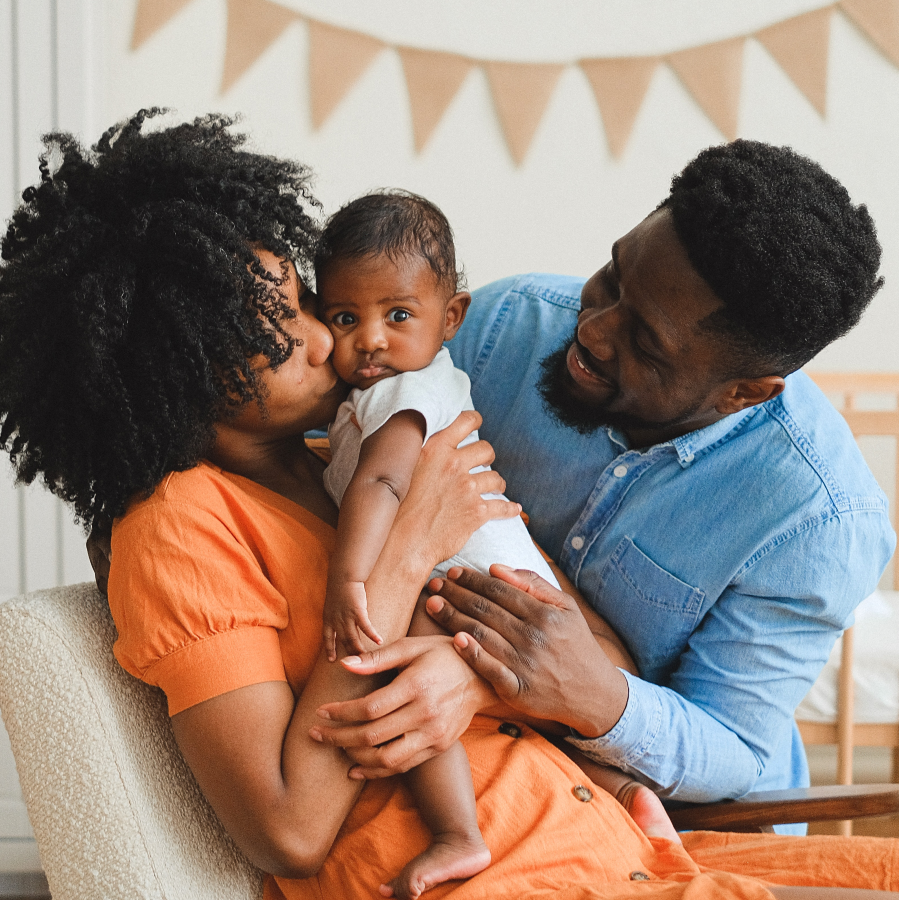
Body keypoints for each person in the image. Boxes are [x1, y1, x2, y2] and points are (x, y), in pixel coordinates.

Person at [5, 111, 896, 898]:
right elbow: (285, 824)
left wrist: (477, 668)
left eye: (306, 304)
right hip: (522, 860)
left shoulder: (337, 461)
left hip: (628, 825)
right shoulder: (216, 505)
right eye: (298, 330)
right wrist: (407, 555)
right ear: (180, 386)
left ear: (745, 390)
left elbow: (589, 656)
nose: (344, 341)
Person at [307, 141, 897, 836]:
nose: (590, 330)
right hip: (503, 777)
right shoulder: (502, 329)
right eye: (613, 277)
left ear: (744, 393)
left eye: (645, 342)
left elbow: (733, 747)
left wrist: (583, 694)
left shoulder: (819, 518)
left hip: (691, 820)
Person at [315, 190, 673, 897]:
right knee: (536, 710)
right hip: (503, 570)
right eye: (344, 318)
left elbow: (383, 485)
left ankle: (456, 834)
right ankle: (628, 795)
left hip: (467, 576)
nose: (371, 340)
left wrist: (347, 578)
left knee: (408, 671)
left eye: (397, 316)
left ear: (452, 317)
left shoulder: (398, 391)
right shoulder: (419, 380)